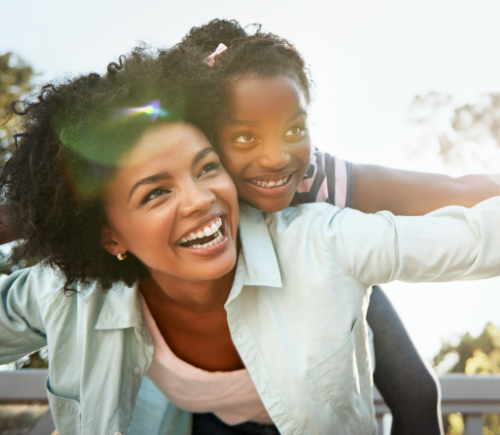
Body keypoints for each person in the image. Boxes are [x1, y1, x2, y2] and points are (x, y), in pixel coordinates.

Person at [2, 47, 500, 435]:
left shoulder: (321, 212)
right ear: (108, 234)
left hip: (327, 288)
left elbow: (471, 227)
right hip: (210, 418)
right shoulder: (61, 295)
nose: (199, 200)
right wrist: (26, 218)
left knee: (414, 391)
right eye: (156, 192)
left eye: (206, 167)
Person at [166, 19, 500, 435]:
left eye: (292, 130)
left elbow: (449, 189)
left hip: (321, 278)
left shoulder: (313, 177)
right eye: (246, 138)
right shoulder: (186, 195)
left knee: (417, 391)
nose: (276, 157)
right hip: (228, 359)